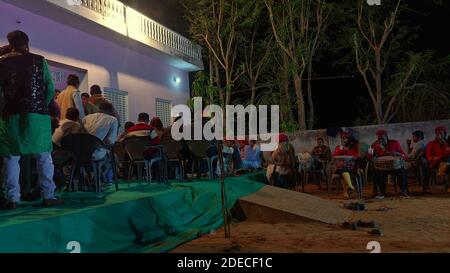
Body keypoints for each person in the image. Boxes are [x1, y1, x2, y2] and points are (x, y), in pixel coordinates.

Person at [0, 30, 63, 209]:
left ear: (10, 43)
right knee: (44, 156)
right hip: (37, 116)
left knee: (11, 158)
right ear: (27, 43)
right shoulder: (39, 60)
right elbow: (49, 87)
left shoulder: (2, 62)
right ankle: (48, 195)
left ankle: (12, 198)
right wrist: (41, 104)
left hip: (10, 116)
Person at [368, 129, 408, 199]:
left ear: (386, 137)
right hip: (382, 167)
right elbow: (369, 156)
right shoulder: (375, 145)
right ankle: (382, 192)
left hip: (394, 166)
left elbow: (404, 155)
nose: (380, 140)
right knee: (376, 172)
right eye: (379, 138)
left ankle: (403, 191)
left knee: (401, 171)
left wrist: (397, 154)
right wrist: (371, 147)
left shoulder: (394, 143)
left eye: (382, 138)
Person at [333, 132, 359, 199]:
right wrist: (341, 149)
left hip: (352, 167)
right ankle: (349, 186)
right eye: (342, 138)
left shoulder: (354, 147)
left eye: (345, 138)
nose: (343, 140)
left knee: (342, 171)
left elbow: (356, 157)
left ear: (349, 139)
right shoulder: (339, 147)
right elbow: (335, 156)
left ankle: (346, 191)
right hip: (341, 167)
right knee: (342, 170)